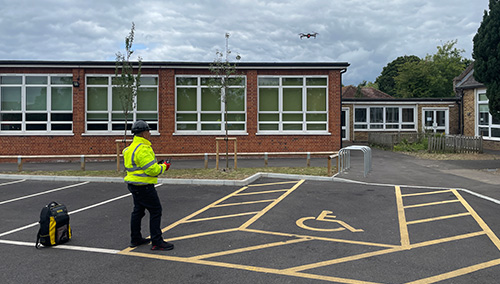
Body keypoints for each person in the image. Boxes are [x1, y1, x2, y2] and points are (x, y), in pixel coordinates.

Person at [123, 120, 173, 251]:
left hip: (133, 184)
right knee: (156, 211)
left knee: (138, 211)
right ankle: (157, 241)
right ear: (143, 133)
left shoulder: (129, 149)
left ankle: (136, 238)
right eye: (148, 131)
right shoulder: (143, 149)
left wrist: (157, 165)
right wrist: (164, 166)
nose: (150, 133)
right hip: (144, 186)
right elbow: (152, 170)